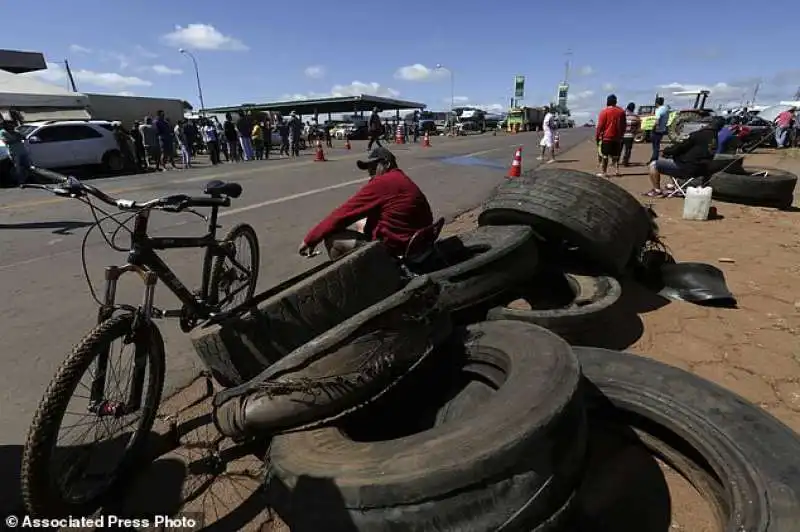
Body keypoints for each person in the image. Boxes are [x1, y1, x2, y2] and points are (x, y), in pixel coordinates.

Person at [298, 146, 433, 260]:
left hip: (398, 251)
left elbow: (344, 213)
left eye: (374, 167)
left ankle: (358, 281)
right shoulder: (400, 179)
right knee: (361, 222)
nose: (370, 171)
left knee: (332, 238)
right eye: (368, 168)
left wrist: (311, 239)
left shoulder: (384, 183)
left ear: (387, 164)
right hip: (418, 244)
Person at [643, 116, 725, 198]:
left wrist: (665, 151)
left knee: (654, 164)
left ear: (710, 124)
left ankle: (657, 190)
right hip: (701, 171)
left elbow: (679, 147)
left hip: (687, 170)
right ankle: (673, 185)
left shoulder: (698, 134)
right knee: (673, 159)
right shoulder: (715, 139)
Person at [595, 94, 627, 177]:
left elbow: (600, 126)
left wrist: (597, 137)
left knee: (605, 156)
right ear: (616, 102)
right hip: (617, 137)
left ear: (607, 102)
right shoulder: (621, 112)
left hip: (607, 137)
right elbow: (624, 125)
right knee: (616, 155)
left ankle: (604, 172)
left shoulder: (604, 112)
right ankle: (617, 170)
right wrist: (621, 135)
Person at [0, 120, 31, 185]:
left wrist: (17, 137)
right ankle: (21, 181)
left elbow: (24, 138)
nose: (11, 126)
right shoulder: (3, 132)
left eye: (12, 125)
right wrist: (16, 139)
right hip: (14, 152)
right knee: (17, 167)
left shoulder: (16, 132)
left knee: (27, 166)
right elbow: (6, 141)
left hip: (22, 150)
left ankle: (29, 179)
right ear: (6, 125)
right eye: (9, 125)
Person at [650, 97, 670, 163]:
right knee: (657, 145)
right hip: (662, 129)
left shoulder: (659, 110)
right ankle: (654, 158)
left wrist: (653, 127)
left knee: (655, 146)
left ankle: (654, 159)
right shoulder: (666, 109)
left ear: (656, 103)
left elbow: (657, 120)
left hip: (657, 130)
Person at [622, 102, 641, 166]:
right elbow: (638, 127)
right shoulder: (636, 117)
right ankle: (625, 162)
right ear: (633, 108)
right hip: (630, 135)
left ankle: (616, 162)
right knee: (628, 149)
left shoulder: (622, 115)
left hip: (621, 135)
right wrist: (634, 132)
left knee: (619, 149)